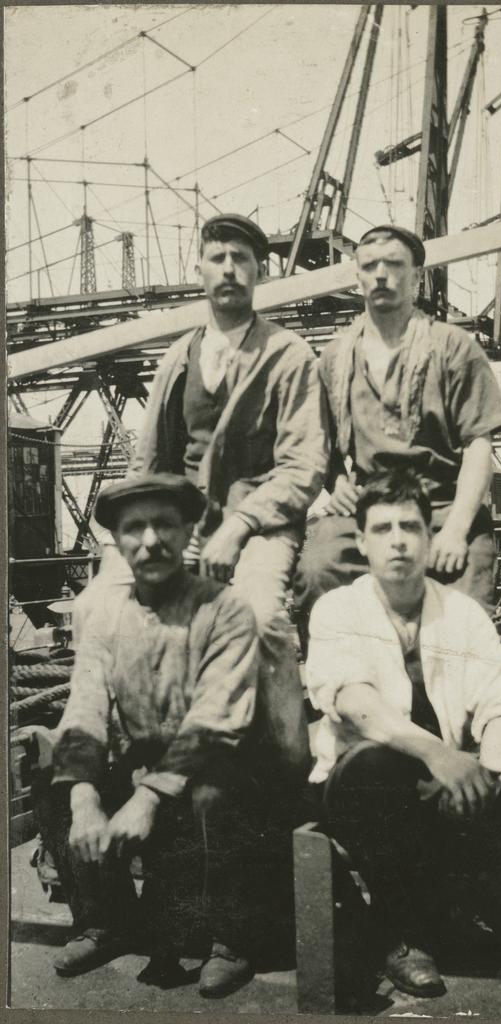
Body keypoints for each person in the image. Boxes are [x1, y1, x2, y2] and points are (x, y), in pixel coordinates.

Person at [88, 213, 329, 782]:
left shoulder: (289, 355)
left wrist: (241, 523)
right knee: (104, 606)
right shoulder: (179, 357)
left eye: (241, 259)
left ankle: (292, 767)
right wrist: (130, 541)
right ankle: (119, 755)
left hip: (261, 523)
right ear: (199, 269)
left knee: (263, 617)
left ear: (259, 272)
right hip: (185, 523)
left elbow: (303, 467)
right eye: (218, 257)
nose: (229, 269)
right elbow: (149, 463)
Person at [33, 474, 287, 998]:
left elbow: (217, 719)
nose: (151, 540)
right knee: (56, 774)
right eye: (135, 528)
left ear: (190, 530)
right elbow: (85, 704)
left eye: (165, 524)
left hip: (216, 766)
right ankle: (107, 921)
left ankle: (230, 939)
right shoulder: (105, 614)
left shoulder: (226, 609)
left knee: (221, 791)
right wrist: (83, 796)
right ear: (119, 542)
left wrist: (147, 798)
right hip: (144, 768)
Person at [305, 469, 501, 998]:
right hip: (359, 786)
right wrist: (440, 757)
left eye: (410, 526)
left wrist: (489, 775)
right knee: (377, 766)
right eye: (382, 529)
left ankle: (452, 900)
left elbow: (499, 701)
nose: (398, 540)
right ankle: (402, 934)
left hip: (443, 788)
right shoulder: (337, 609)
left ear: (430, 539)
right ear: (361, 542)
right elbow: (355, 704)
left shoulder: (464, 614)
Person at [294, 223, 501, 646]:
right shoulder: (336, 356)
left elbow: (479, 443)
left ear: (415, 277)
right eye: (370, 266)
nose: (381, 275)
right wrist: (335, 481)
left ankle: (442, 706)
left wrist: (456, 528)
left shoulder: (453, 347)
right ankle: (341, 693)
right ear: (357, 278)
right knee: (319, 568)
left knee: (464, 618)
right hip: (370, 504)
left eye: (394, 265)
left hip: (443, 504)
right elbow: (317, 442)